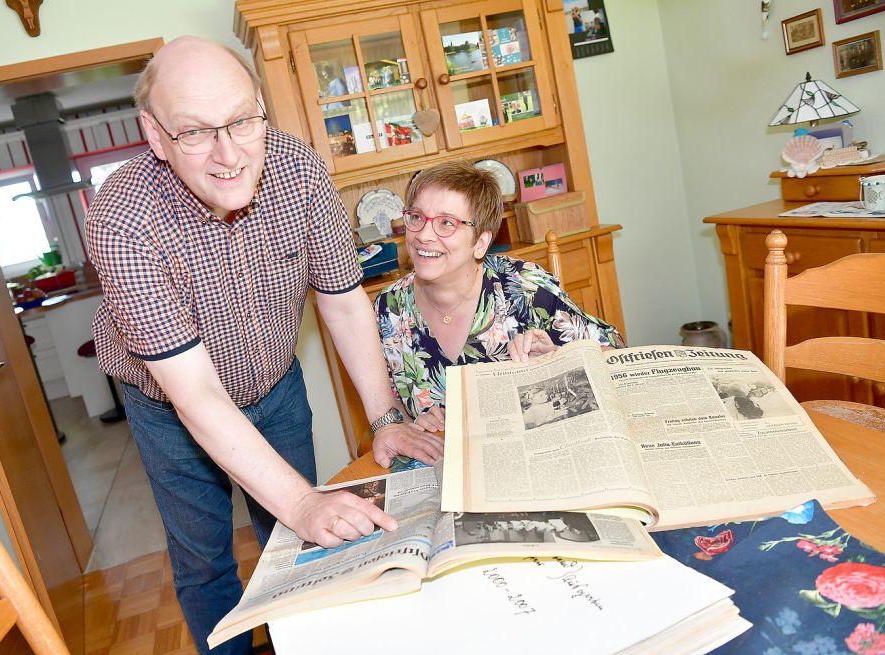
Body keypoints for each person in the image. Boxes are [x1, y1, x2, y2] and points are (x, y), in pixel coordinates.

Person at [85, 36, 443, 655]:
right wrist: (303, 501)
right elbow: (195, 392)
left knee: (299, 543)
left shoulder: (300, 170)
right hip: (170, 410)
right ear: (153, 134)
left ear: (259, 107)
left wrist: (385, 417)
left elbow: (341, 300)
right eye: (194, 132)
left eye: (243, 121)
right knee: (205, 562)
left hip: (274, 385)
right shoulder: (121, 219)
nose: (228, 154)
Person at [374, 161, 622, 431]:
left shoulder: (524, 288)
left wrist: (559, 356)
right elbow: (389, 405)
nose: (423, 235)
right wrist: (410, 424)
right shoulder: (389, 309)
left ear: (480, 243)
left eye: (446, 223)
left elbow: (617, 355)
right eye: (417, 217)